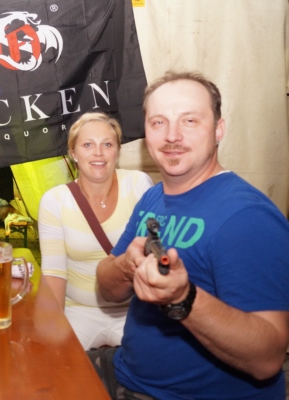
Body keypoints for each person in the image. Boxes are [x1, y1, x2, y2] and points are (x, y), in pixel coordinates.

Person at [90, 71, 289, 399]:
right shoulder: (153, 198)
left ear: (219, 129)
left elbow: (267, 359)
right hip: (128, 375)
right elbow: (107, 288)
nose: (172, 136)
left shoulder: (248, 216)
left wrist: (183, 299)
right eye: (158, 122)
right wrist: (126, 265)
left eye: (190, 121)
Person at [38, 112, 153, 351]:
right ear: (73, 153)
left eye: (107, 144)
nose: (98, 152)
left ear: (117, 151)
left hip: (133, 310)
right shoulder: (55, 201)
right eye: (88, 145)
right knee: (56, 362)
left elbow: (151, 255)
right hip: (78, 312)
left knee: (154, 366)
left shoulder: (138, 185)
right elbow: (54, 275)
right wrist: (51, 335)